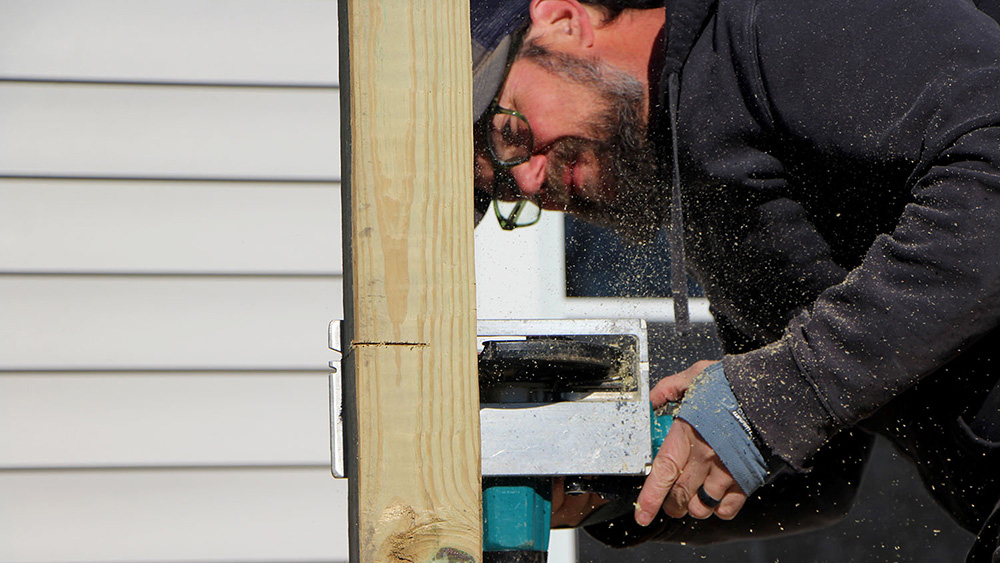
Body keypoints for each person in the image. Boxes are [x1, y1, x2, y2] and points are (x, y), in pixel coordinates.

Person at [470, 0, 1000, 560]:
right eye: (507, 192)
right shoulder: (701, 174)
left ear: (562, 19)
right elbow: (823, 467)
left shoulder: (773, 23)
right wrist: (616, 484)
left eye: (510, 133)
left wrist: (766, 396)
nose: (528, 181)